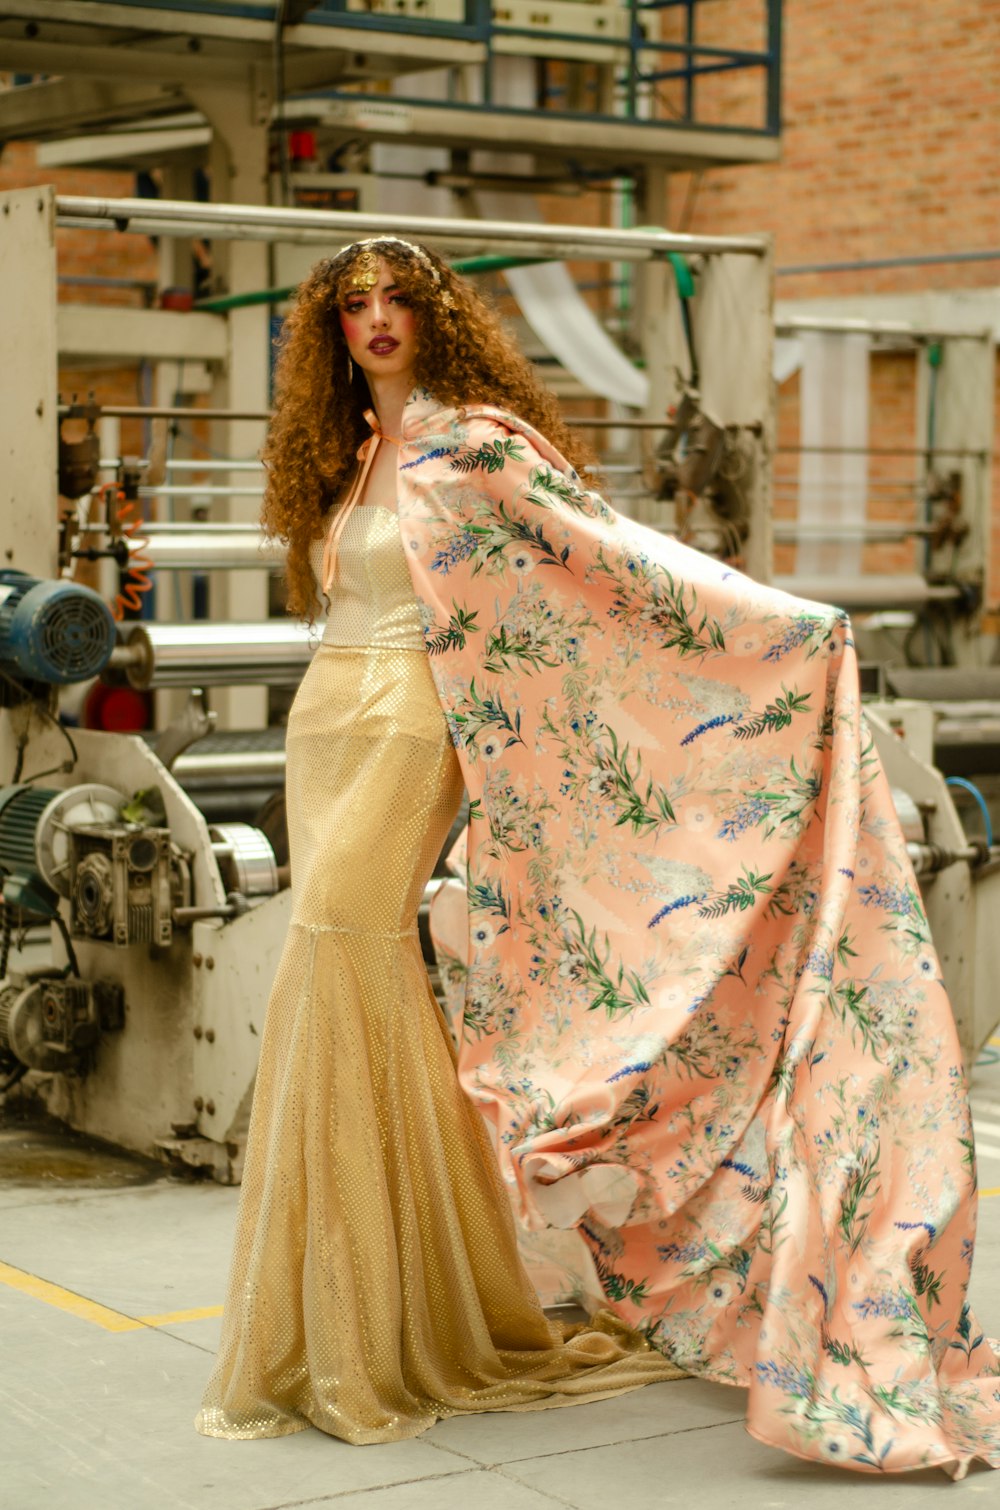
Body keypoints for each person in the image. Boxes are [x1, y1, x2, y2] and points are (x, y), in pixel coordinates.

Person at [197, 237, 1000, 1475]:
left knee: (334, 946)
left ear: (434, 314)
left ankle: (362, 1323)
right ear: (327, 330)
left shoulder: (475, 441)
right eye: (351, 305)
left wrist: (778, 625)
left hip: (419, 716)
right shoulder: (347, 451)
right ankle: (408, 1298)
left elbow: (613, 554)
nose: (375, 320)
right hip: (324, 721)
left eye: (397, 298)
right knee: (353, 976)